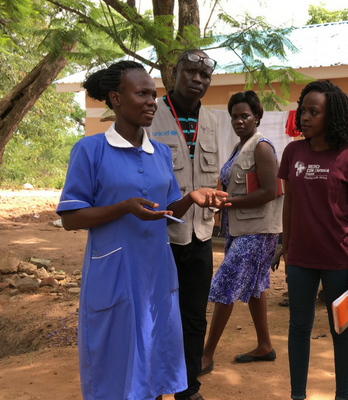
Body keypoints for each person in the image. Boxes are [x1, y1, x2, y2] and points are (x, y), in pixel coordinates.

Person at [57, 61, 229, 400]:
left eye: (153, 94)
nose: (152, 101)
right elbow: (70, 218)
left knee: (153, 358)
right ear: (116, 99)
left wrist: (191, 198)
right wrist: (122, 208)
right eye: (142, 94)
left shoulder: (160, 154)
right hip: (114, 273)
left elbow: (164, 214)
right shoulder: (90, 150)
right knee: (114, 361)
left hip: (156, 273)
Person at [278, 80, 348, 400]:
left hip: (339, 262)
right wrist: (286, 247)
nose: (305, 117)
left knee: (342, 329)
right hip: (300, 260)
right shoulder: (293, 152)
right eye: (304, 110)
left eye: (314, 112)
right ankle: (297, 395)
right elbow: (288, 203)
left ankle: (342, 396)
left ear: (332, 117)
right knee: (298, 327)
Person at [148, 49, 219, 400]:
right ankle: (155, 386)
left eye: (204, 75)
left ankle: (188, 389)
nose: (198, 79)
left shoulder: (212, 121)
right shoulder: (152, 116)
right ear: (174, 73)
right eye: (190, 71)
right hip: (161, 237)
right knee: (159, 317)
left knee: (193, 319)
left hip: (201, 236)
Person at [200, 91, 282, 373]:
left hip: (258, 231)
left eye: (245, 115)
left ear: (257, 117)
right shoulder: (240, 147)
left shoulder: (261, 147)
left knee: (225, 283)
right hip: (240, 228)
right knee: (255, 286)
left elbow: (270, 191)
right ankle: (265, 345)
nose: (239, 120)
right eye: (234, 116)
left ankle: (206, 355)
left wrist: (229, 201)